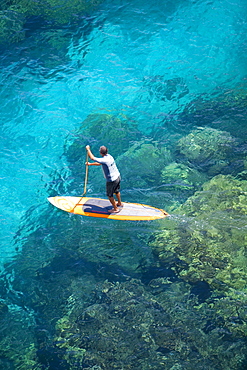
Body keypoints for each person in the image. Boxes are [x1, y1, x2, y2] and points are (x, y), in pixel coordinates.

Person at [85, 145, 123, 213]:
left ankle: (115, 209)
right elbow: (100, 163)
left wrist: (88, 149)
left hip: (112, 181)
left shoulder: (104, 160)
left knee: (109, 195)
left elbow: (92, 157)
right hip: (118, 176)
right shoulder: (109, 156)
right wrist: (90, 164)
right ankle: (119, 203)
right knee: (116, 191)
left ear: (100, 153)